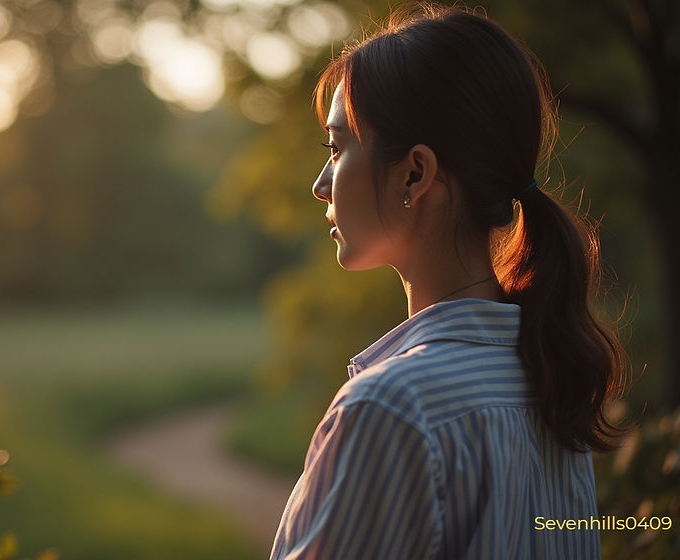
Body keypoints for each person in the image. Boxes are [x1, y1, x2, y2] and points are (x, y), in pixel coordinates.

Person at [269, 4, 630, 559]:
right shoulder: (550, 381)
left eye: (337, 148)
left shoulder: (392, 409)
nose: (321, 185)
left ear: (415, 172)